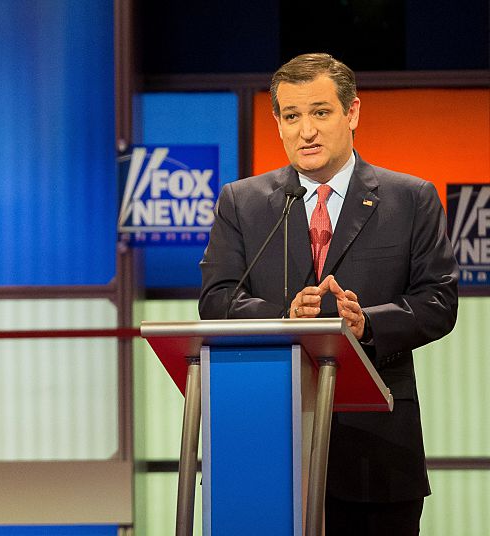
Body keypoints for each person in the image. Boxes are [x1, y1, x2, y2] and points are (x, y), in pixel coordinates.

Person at [199, 53, 458, 535]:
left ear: (352, 113)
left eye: (320, 113)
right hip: (269, 453)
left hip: (376, 455)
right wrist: (283, 318)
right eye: (292, 117)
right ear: (276, 123)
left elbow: (438, 301)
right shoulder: (242, 202)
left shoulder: (410, 198)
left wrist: (368, 324)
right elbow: (217, 298)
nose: (306, 131)